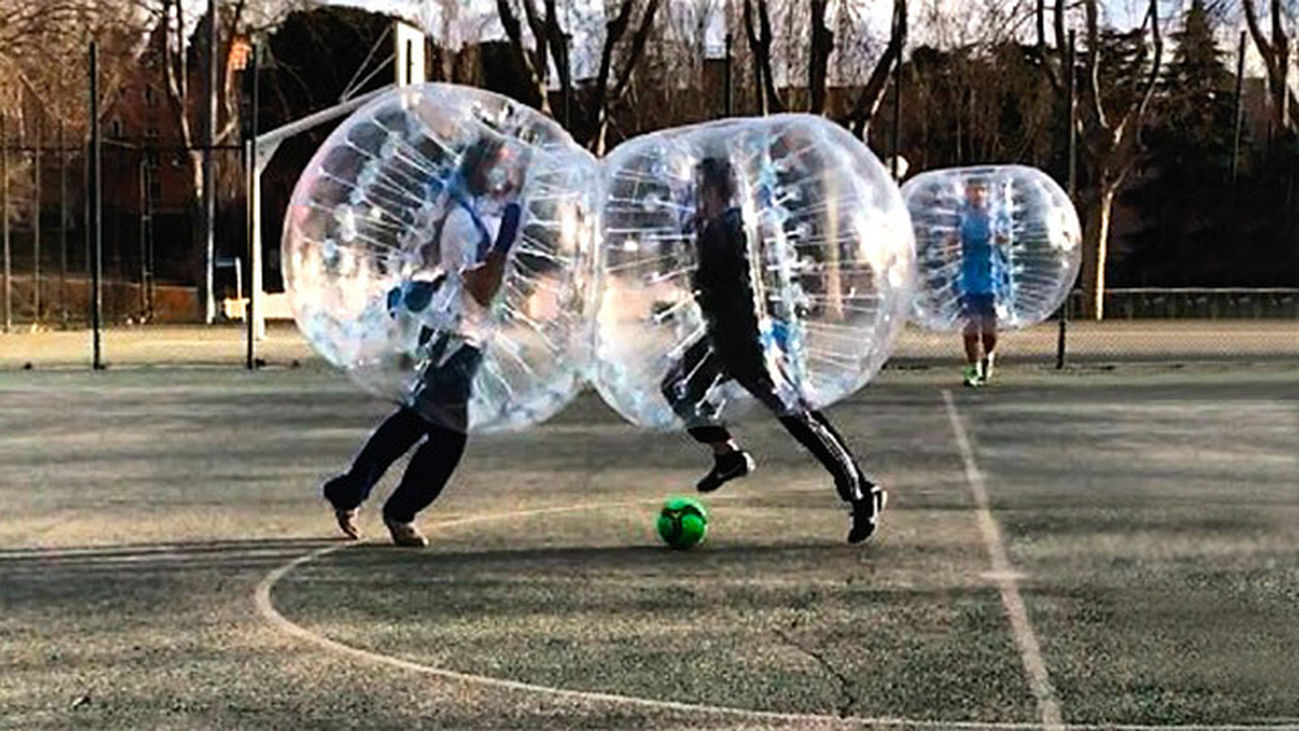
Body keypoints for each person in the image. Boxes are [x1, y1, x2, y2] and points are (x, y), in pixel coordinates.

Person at [659, 157, 886, 544]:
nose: (692, 197)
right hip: (721, 334)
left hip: (749, 338)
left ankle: (862, 492)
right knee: (678, 388)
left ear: (713, 190)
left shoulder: (734, 226)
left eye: (698, 189)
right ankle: (728, 457)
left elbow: (744, 280)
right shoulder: (714, 226)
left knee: (797, 415)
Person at [321, 136, 523, 546]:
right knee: (448, 438)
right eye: (499, 166)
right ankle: (400, 510)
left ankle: (349, 490)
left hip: (466, 336)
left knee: (414, 421)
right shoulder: (464, 221)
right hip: (452, 337)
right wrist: (504, 245)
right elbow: (481, 290)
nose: (509, 175)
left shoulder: (487, 213)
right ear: (479, 169)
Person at [952, 179, 1011, 387]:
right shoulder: (961, 217)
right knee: (969, 327)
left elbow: (1007, 238)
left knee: (989, 327)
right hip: (967, 278)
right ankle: (972, 368)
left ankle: (988, 356)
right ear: (966, 192)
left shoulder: (996, 216)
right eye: (972, 190)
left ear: (986, 193)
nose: (976, 194)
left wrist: (998, 239)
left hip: (991, 278)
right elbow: (950, 241)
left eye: (980, 190)